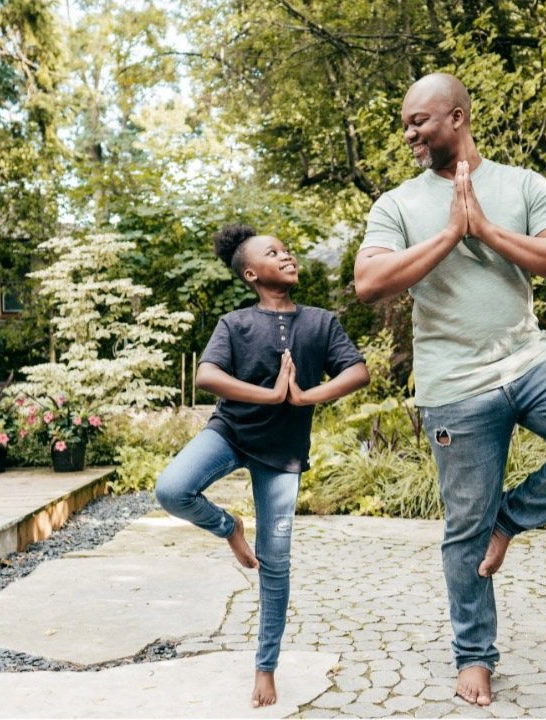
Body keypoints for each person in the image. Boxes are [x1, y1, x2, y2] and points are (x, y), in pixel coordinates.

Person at [355, 73, 546, 706]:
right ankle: (475, 656)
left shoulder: (523, 185)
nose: (409, 134)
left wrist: (485, 230)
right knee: (463, 526)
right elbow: (369, 283)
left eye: (419, 122)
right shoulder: (397, 206)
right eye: (405, 123)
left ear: (456, 117)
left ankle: (507, 520)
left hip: (529, 359)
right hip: (454, 385)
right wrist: (450, 234)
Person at [156, 224, 369, 708]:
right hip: (229, 432)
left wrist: (306, 395)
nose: (287, 254)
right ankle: (229, 526)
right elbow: (207, 375)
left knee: (276, 562)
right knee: (172, 489)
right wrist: (271, 394)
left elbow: (358, 371)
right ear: (252, 273)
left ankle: (266, 665)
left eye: (287, 249)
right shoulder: (234, 324)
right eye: (274, 253)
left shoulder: (321, 322)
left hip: (282, 452)